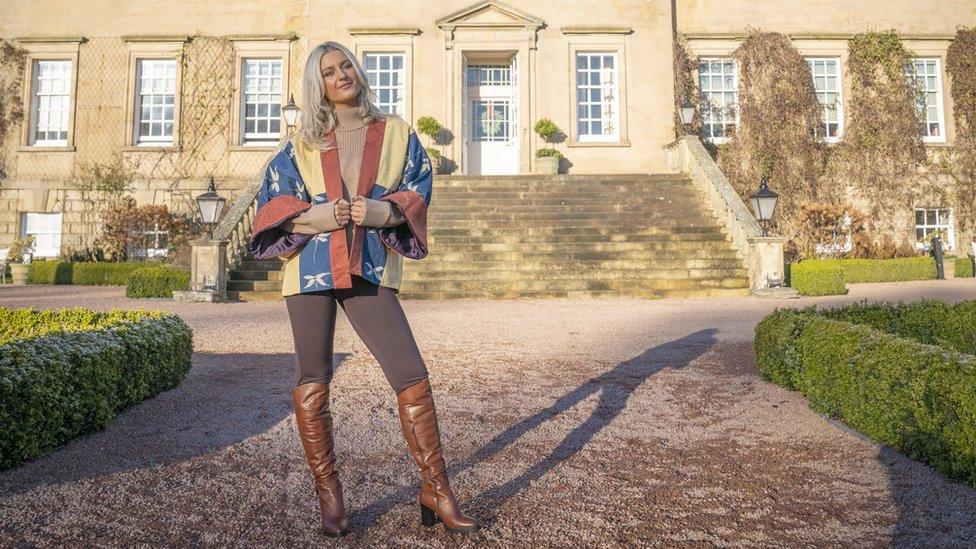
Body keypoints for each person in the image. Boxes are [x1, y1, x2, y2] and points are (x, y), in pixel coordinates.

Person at [248, 41, 480, 537]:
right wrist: (319, 215)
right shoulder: (302, 143)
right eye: (329, 72)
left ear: (358, 71)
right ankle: (330, 496)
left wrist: (383, 212)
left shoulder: (395, 132)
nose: (341, 75)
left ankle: (436, 488)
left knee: (410, 373)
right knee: (313, 375)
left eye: (345, 65)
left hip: (368, 266)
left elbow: (418, 189)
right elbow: (273, 203)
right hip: (309, 268)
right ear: (320, 85)